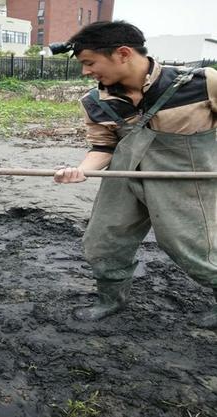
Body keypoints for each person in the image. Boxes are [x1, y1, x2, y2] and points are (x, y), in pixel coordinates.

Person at [52, 21, 217, 329]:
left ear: (123, 53)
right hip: (125, 178)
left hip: (185, 180)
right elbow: (103, 146)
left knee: (195, 250)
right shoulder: (94, 102)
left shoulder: (203, 83)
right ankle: (111, 300)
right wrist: (81, 171)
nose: (85, 72)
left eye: (89, 63)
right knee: (102, 243)